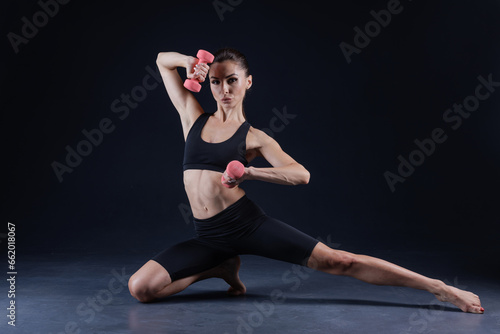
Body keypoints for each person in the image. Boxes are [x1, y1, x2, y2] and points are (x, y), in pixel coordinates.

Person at [127, 47, 484, 314]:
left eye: (232, 80)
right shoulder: (193, 117)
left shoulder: (255, 138)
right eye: (217, 82)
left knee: (338, 261)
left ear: (247, 82)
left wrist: (251, 172)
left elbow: (302, 174)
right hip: (208, 236)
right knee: (141, 288)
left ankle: (439, 288)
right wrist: (189, 62)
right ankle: (219, 266)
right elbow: (161, 60)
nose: (224, 89)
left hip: (246, 225)